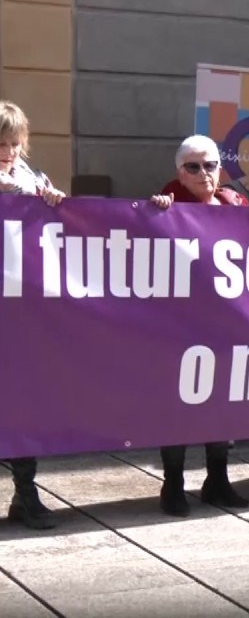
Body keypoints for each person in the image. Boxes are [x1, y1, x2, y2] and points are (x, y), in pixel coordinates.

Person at [149, 135, 249, 516]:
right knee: (178, 406)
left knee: (221, 401)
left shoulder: (234, 203)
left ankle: (217, 480)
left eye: (210, 165)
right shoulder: (165, 206)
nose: (203, 173)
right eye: (193, 167)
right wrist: (155, 211)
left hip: (225, 323)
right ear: (179, 172)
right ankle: (173, 484)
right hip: (179, 325)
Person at [0, 100, 65, 530]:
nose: (8, 152)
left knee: (20, 398)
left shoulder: (30, 177)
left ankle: (26, 493)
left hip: (21, 310)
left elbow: (68, 225)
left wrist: (56, 200)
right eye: (1, 144)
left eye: (15, 144)